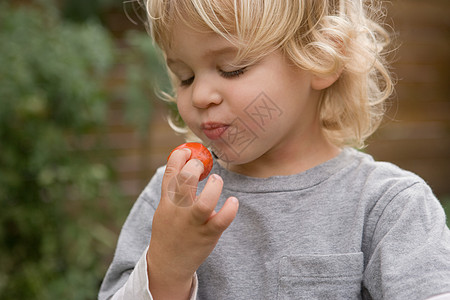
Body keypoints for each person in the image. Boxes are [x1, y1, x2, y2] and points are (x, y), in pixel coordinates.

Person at [99, 0, 450, 299]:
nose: (200, 95)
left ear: (322, 57)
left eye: (232, 68)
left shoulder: (388, 206)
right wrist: (165, 267)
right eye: (185, 76)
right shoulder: (175, 198)